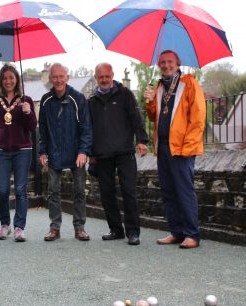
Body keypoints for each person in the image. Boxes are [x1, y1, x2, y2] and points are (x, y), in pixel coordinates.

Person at [144, 50, 206, 249]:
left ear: (178, 63)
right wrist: (150, 101)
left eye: (170, 62)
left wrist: (188, 147)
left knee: (184, 191)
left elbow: (198, 118)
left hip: (181, 148)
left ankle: (191, 234)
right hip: (162, 146)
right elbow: (155, 117)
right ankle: (176, 232)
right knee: (168, 191)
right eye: (162, 62)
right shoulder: (160, 86)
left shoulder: (189, 84)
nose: (165, 65)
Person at [88, 63, 149, 246]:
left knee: (129, 191)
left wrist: (141, 140)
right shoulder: (91, 101)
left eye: (107, 76)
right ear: (96, 78)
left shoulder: (125, 95)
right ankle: (116, 229)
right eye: (101, 77)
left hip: (124, 151)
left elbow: (136, 117)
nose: (104, 80)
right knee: (107, 194)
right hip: (102, 154)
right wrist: (90, 153)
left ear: (112, 75)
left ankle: (133, 232)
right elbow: (88, 128)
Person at [0, 65, 37, 242]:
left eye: (11, 77)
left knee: (21, 190)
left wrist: (28, 112)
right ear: (0, 81)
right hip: (1, 152)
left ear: (17, 79)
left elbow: (31, 126)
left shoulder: (26, 100)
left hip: (22, 151)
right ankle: (5, 225)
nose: (8, 81)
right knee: (3, 190)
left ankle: (19, 227)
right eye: (5, 78)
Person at [38, 63, 92, 241]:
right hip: (54, 152)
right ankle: (55, 228)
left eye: (62, 76)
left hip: (77, 153)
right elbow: (43, 130)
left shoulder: (78, 98)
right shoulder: (45, 100)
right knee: (53, 191)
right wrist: (43, 152)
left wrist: (84, 151)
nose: (59, 80)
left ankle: (79, 227)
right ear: (50, 78)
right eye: (55, 77)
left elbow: (86, 128)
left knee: (79, 190)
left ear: (67, 77)